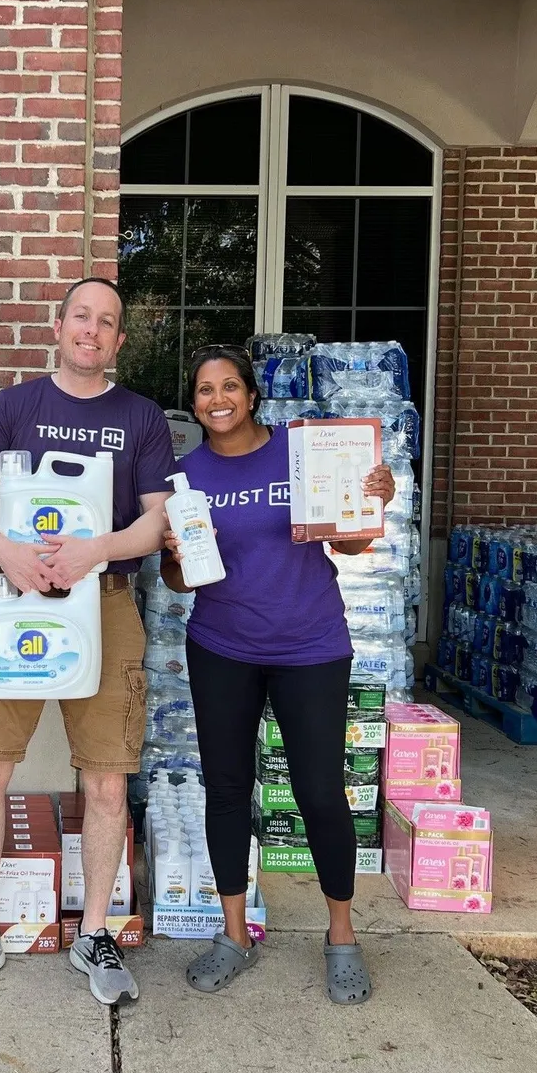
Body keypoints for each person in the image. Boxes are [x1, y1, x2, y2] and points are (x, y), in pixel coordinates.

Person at [0, 277, 175, 1006]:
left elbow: (159, 521)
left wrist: (97, 548)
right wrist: (6, 551)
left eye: (107, 323)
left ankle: (93, 931)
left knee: (105, 780)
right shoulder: (15, 406)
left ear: (119, 340)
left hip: (108, 604)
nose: (91, 331)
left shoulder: (141, 417)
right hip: (18, 605)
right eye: (81, 317)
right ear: (59, 325)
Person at [160, 344, 395, 1004]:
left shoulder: (303, 451)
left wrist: (376, 497)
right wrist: (174, 555)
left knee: (321, 792)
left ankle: (342, 936)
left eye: (228, 386)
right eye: (204, 390)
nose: (217, 400)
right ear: (197, 403)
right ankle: (234, 934)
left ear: (252, 395)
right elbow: (178, 580)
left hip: (311, 645)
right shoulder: (186, 475)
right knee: (229, 790)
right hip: (222, 647)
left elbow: (347, 539)